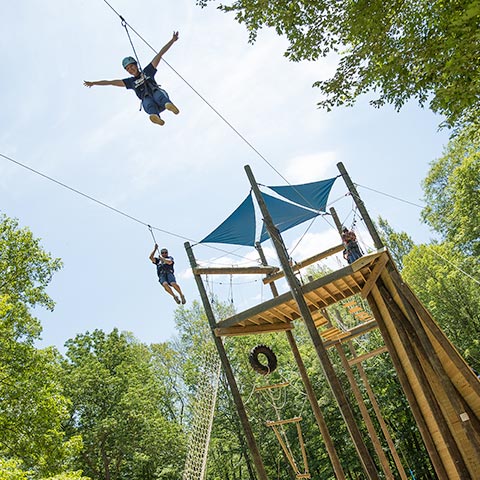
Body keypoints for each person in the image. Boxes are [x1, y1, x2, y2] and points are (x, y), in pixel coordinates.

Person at [84, 31, 180, 126]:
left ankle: (168, 105)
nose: (131, 69)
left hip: (160, 98)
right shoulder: (130, 82)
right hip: (151, 103)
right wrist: (94, 83)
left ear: (136, 65)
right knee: (146, 101)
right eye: (128, 69)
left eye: (131, 66)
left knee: (157, 93)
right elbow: (110, 82)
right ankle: (155, 116)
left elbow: (159, 54)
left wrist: (172, 40)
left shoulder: (147, 71)